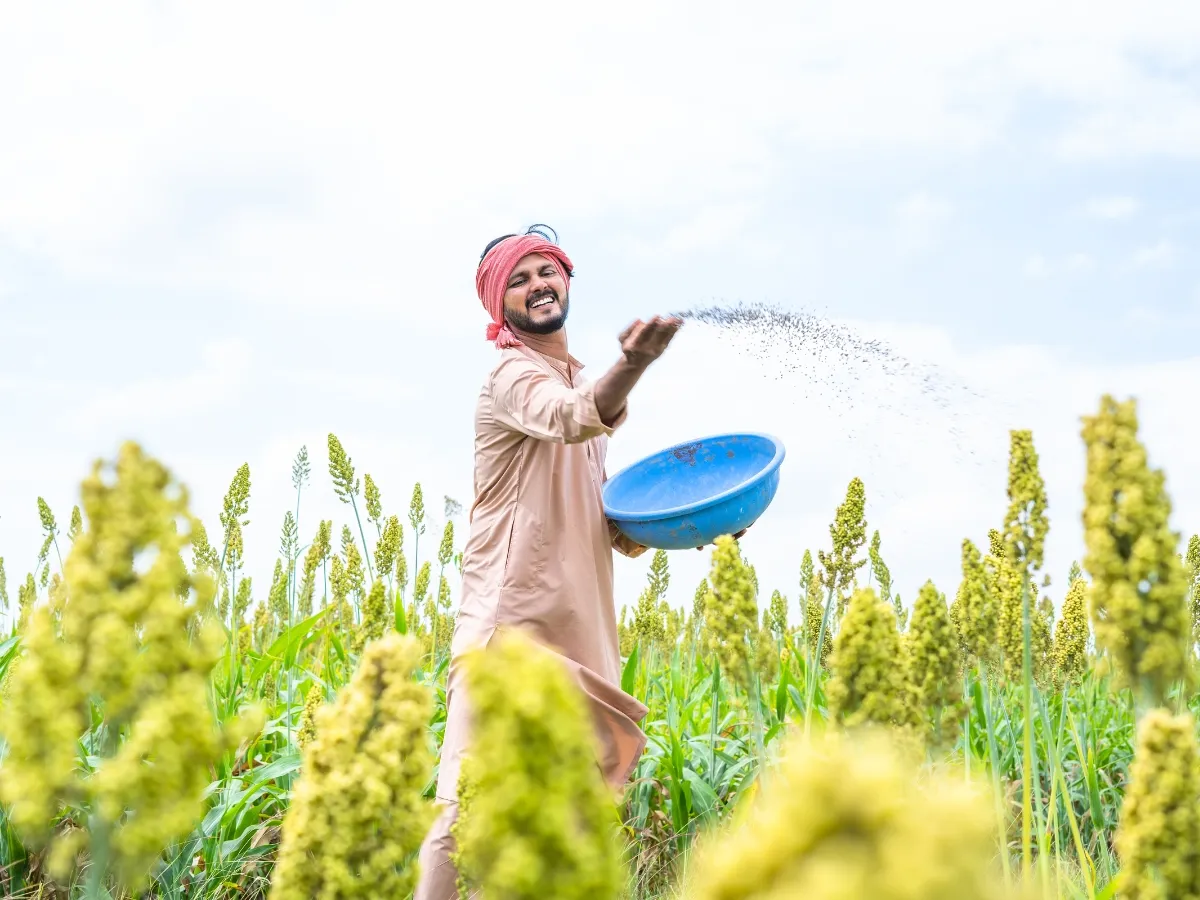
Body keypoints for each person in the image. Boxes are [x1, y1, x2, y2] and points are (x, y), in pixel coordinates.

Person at [413, 226, 684, 899]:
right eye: (519, 278)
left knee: (560, 809)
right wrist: (636, 364)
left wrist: (688, 522)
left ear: (567, 281)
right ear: (496, 304)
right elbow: (571, 416)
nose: (537, 285)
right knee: (469, 797)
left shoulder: (578, 381)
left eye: (547, 272)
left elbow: (607, 518)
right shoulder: (512, 376)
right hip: (511, 628)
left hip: (580, 634)